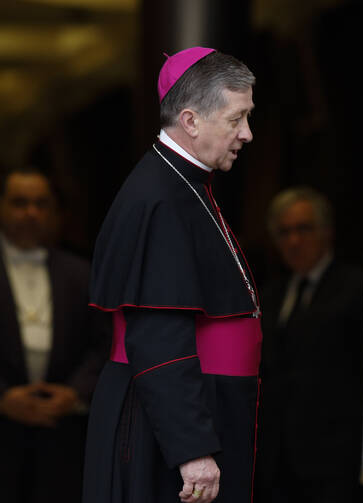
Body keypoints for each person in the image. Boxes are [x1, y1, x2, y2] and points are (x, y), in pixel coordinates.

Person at [82, 47, 262, 503]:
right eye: (236, 118)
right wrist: (193, 450)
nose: (247, 133)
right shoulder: (159, 198)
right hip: (160, 428)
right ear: (191, 120)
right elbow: (158, 336)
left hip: (196, 407)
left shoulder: (183, 184)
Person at [0, 166, 109, 503]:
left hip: (63, 436)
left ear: (55, 212)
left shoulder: (81, 272)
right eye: (19, 203)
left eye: (41, 204)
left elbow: (104, 344)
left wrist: (74, 394)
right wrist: (2, 397)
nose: (31, 213)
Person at [256, 187, 363, 503]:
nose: (293, 241)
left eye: (303, 229)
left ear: (327, 232)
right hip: (277, 463)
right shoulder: (270, 296)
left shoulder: (357, 288)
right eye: (283, 232)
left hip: (334, 462)